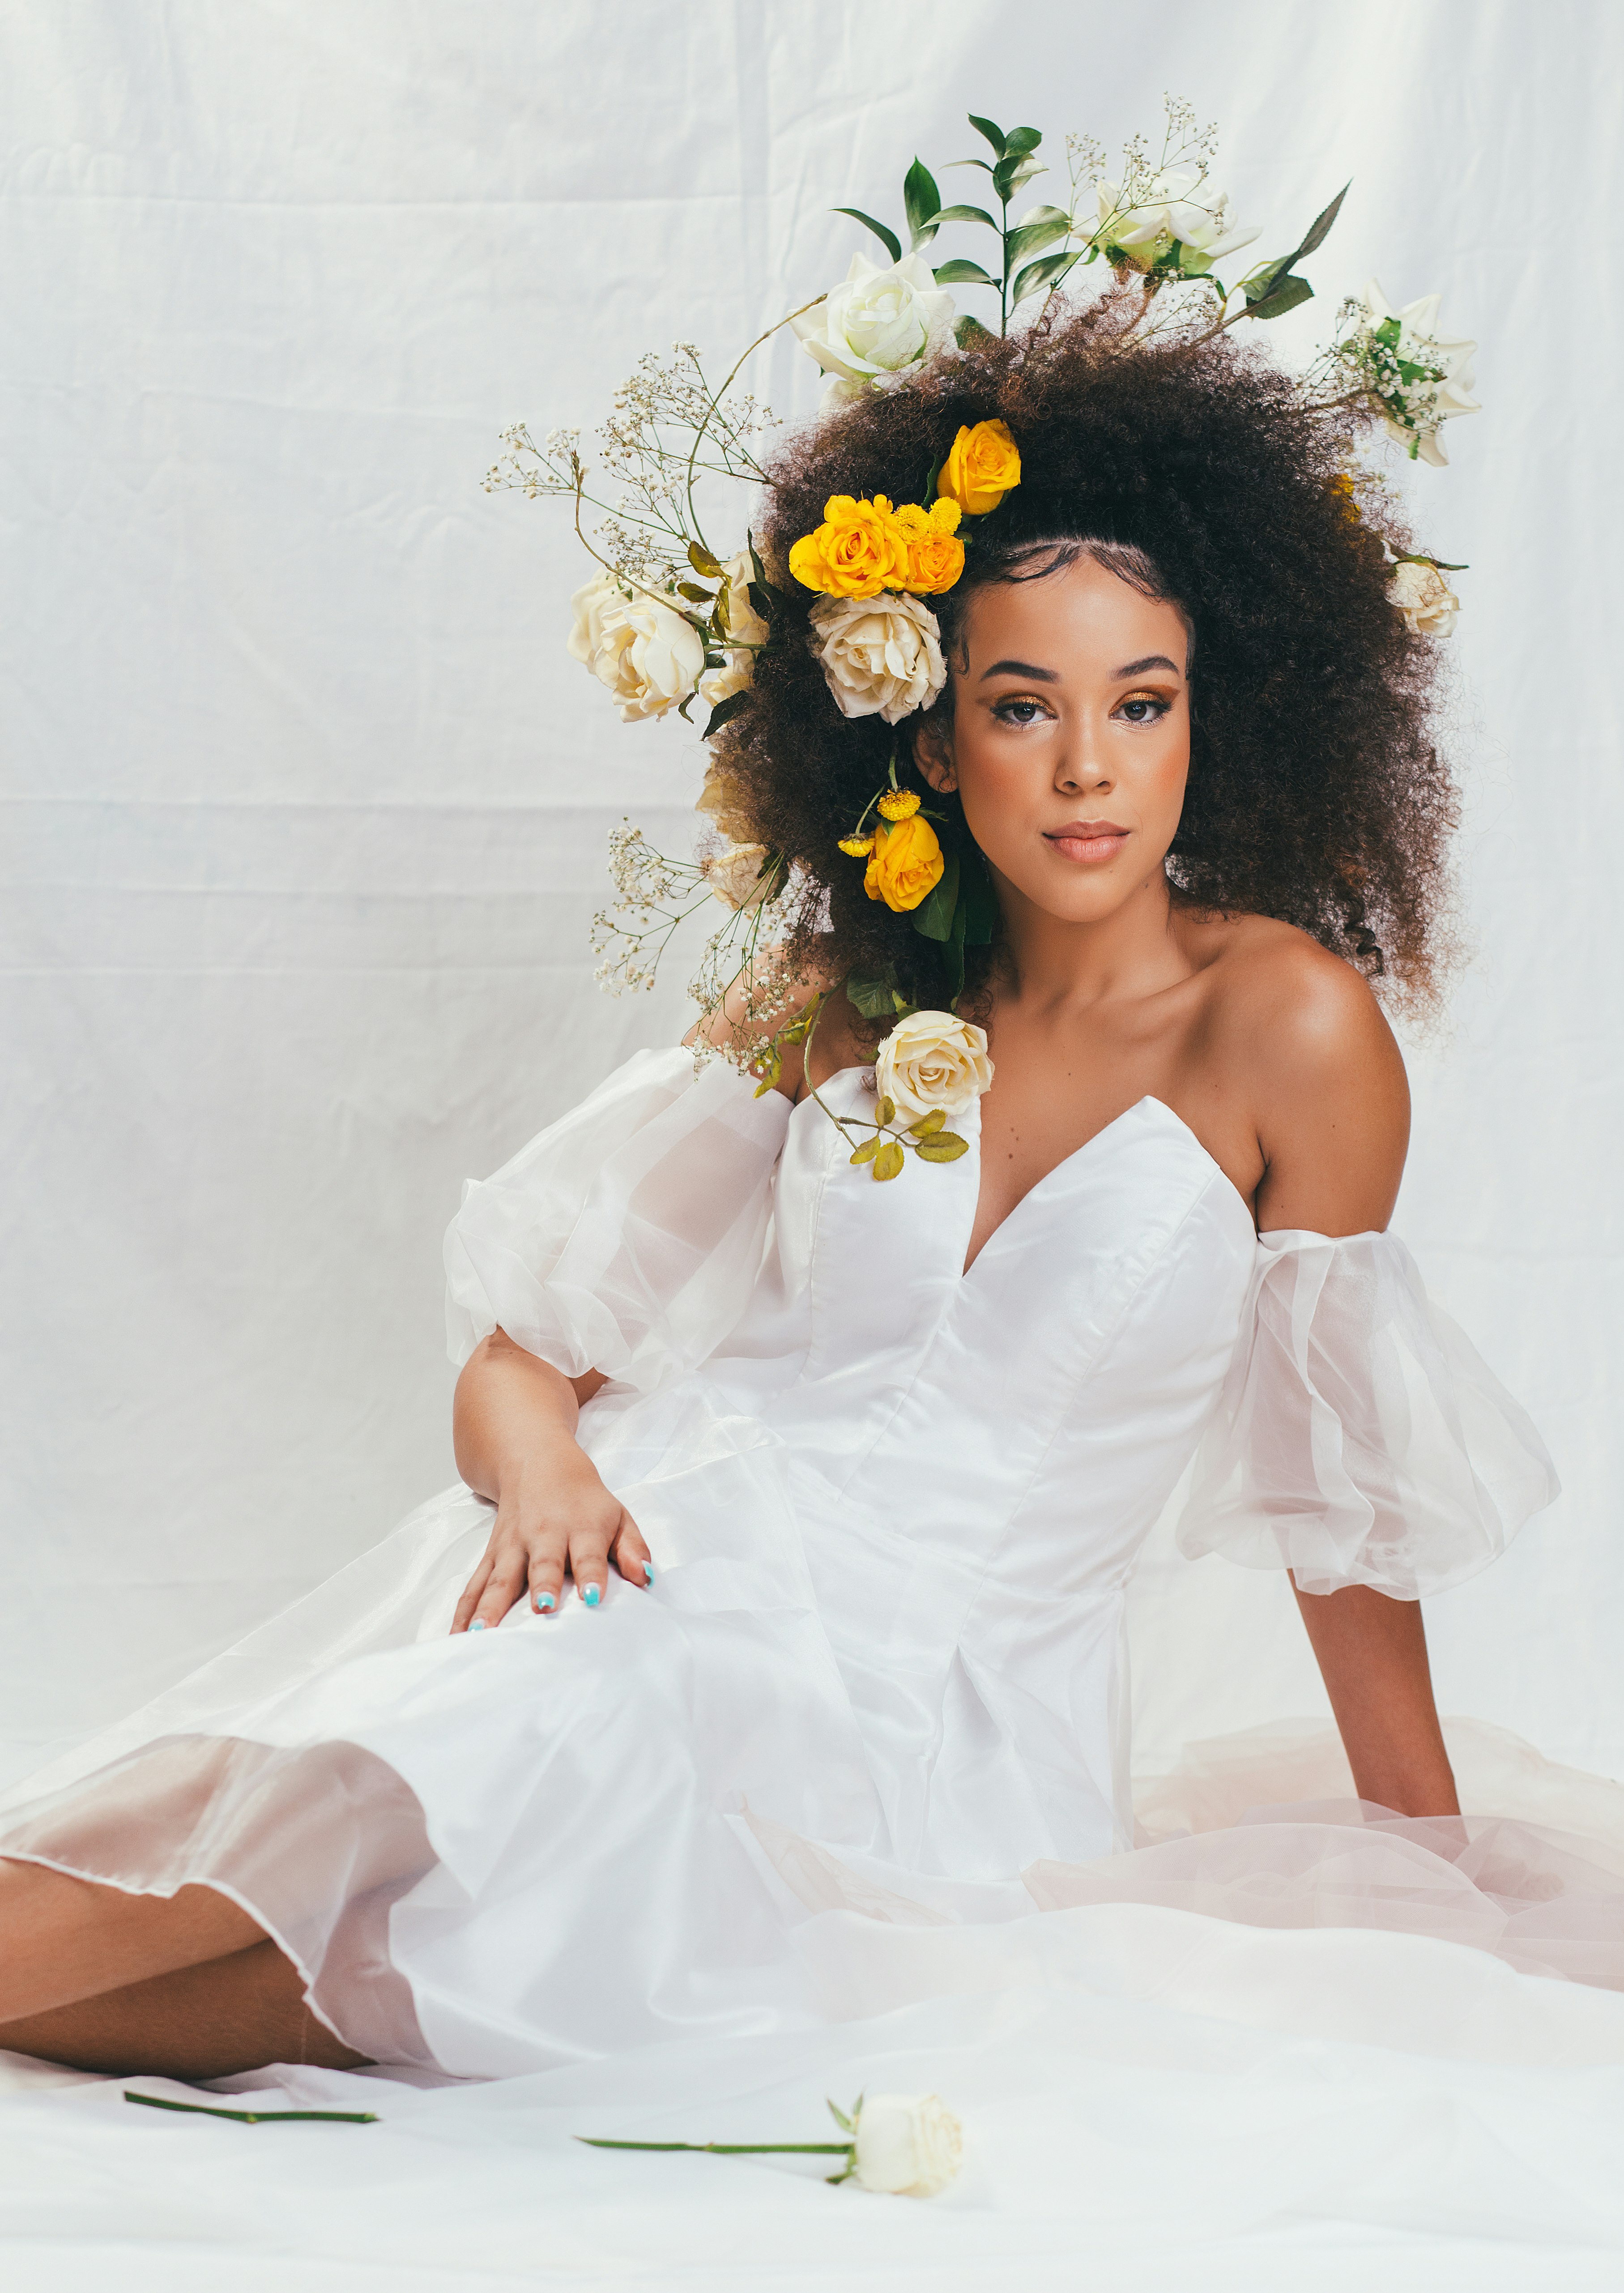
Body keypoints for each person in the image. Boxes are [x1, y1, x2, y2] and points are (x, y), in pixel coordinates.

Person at [0, 267, 1598, 2090]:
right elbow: (526, 1352)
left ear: (1204, 720)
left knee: (372, 1977)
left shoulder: (1287, 1028)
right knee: (324, 1807)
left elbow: (1343, 1514)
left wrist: (1431, 1876)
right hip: (658, 1565)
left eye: (1139, 703)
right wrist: (540, 1478)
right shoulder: (839, 998)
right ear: (925, 734)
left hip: (938, 1728)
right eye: (1021, 705)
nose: (1088, 766)